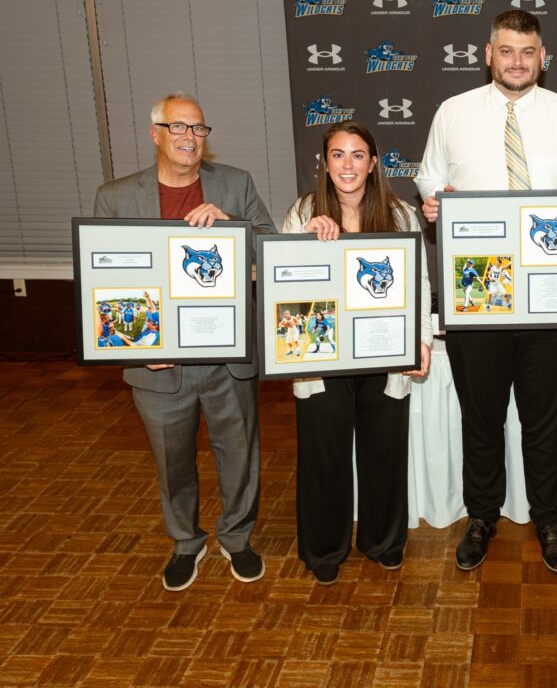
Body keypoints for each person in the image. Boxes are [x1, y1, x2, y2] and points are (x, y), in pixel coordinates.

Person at [415, 9, 557, 573]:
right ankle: (482, 517)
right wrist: (435, 196)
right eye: (506, 50)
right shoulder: (452, 113)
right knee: (482, 417)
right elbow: (428, 175)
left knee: (545, 420)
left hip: (550, 296)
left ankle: (548, 517)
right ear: (487, 53)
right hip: (479, 292)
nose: (517, 62)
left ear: (543, 57)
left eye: (527, 52)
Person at [93, 92, 276, 591]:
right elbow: (107, 280)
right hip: (159, 363)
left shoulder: (235, 184)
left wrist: (231, 226)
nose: (189, 137)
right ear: (156, 133)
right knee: (172, 462)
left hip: (227, 356)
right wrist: (137, 347)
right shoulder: (115, 196)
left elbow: (270, 241)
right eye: (178, 127)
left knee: (238, 454)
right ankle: (186, 543)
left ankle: (236, 539)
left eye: (197, 128)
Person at [282, 120, 433, 586]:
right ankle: (324, 547)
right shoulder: (304, 212)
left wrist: (422, 340)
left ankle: (383, 541)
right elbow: (283, 284)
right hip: (323, 355)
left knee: (383, 451)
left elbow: (420, 284)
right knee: (323, 454)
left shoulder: (400, 214)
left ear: (373, 162)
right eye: (338, 155)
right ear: (325, 164)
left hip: (385, 353)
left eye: (357, 155)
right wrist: (306, 239)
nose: (347, 165)